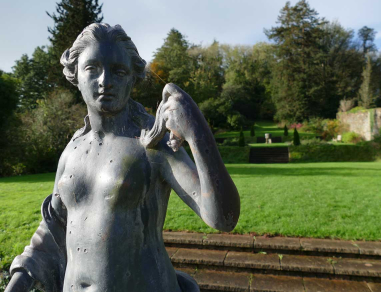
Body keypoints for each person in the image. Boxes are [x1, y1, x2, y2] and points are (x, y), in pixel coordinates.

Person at [5, 23, 240, 292]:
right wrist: (19, 280)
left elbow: (224, 217)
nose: (105, 80)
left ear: (132, 78)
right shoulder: (73, 149)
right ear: (76, 75)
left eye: (119, 71)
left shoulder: (152, 142)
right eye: (92, 68)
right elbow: (54, 228)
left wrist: (197, 131)